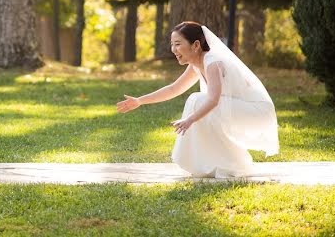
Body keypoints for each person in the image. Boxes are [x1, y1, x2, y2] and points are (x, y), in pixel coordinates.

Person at [116, 21, 278, 178]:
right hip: (237, 108)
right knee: (197, 101)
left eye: (178, 44)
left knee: (198, 100)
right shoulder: (196, 63)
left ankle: (234, 164)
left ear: (195, 45)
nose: (173, 49)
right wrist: (139, 101)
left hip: (257, 111)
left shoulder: (213, 61)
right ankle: (214, 163)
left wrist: (190, 120)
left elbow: (214, 100)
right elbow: (174, 88)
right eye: (172, 44)